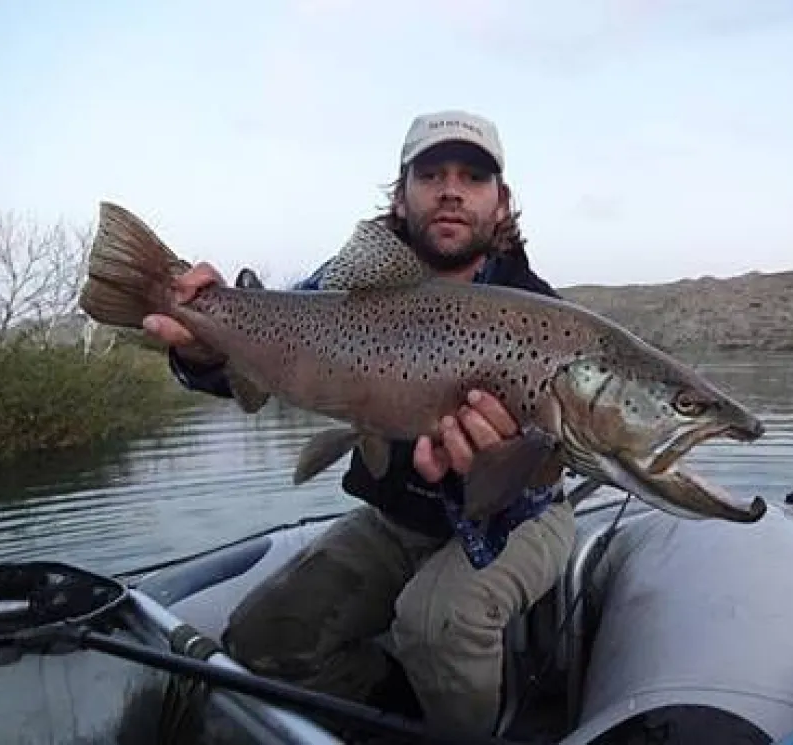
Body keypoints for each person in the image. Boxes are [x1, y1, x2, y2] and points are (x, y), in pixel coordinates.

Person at [143, 110, 577, 739]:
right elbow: (263, 352)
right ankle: (398, 713)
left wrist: (496, 467)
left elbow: (550, 466)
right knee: (262, 639)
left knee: (437, 623)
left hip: (517, 518)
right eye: (431, 174)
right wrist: (201, 347)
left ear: (501, 202)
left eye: (473, 176)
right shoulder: (348, 285)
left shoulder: (543, 317)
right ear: (400, 197)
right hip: (397, 517)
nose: (451, 189)